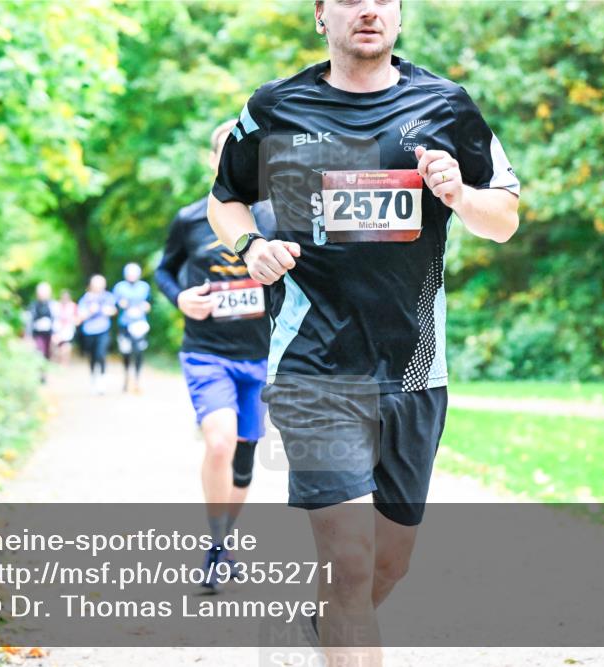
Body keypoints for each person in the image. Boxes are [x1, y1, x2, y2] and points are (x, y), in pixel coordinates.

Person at [207, 0, 520, 661]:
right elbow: (223, 197)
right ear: (323, 16)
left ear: (400, 15)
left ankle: (324, 631)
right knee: (348, 564)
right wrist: (251, 246)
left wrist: (461, 195)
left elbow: (504, 217)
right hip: (314, 366)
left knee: (387, 567)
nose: (368, 10)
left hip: (413, 373)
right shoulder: (274, 107)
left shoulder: (447, 105)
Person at [156, 119, 277, 593]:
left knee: (244, 460)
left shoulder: (274, 218)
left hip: (260, 357)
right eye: (225, 151)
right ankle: (214, 545)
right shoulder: (189, 219)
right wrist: (180, 299)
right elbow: (163, 272)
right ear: (213, 160)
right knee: (219, 442)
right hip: (207, 353)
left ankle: (224, 540)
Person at [112, 263, 152, 393]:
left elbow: (149, 303)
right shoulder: (119, 287)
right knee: (126, 351)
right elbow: (115, 304)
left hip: (139, 324)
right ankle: (126, 375)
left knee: (139, 350)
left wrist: (146, 306)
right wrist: (121, 304)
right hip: (124, 324)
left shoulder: (144, 287)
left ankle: (137, 379)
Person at [77, 274, 118, 394]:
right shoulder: (85, 298)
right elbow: (80, 316)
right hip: (89, 331)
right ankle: (93, 378)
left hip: (103, 330)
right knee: (92, 356)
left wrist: (108, 311)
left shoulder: (108, 297)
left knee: (101, 354)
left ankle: (102, 379)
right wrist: (90, 311)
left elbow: (114, 310)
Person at [26, 282, 56, 383]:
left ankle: (45, 373)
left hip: (49, 334)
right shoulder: (33, 305)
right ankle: (40, 373)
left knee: (47, 354)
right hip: (38, 333)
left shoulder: (52, 305)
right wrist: (28, 335)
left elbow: (56, 320)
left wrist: (56, 334)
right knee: (40, 352)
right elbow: (29, 321)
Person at [54, 289, 78, 365]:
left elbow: (77, 318)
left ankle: (65, 363)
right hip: (58, 330)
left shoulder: (73, 306)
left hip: (68, 331)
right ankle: (59, 362)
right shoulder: (56, 305)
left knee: (66, 347)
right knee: (58, 348)